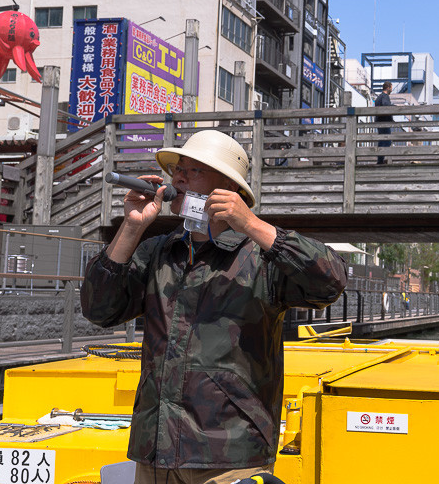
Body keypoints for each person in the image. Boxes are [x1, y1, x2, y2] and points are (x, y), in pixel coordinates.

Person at [80, 130, 348, 484]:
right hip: (155, 453)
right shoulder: (159, 251)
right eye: (178, 169)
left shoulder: (262, 258)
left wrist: (251, 224)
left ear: (230, 189)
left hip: (230, 457)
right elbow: (99, 309)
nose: (178, 177)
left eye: (194, 171)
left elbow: (330, 283)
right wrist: (132, 227)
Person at [374, 82, 394, 165]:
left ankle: (380, 159)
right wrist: (394, 107)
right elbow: (386, 105)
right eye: (391, 88)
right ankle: (380, 160)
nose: (391, 90)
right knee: (386, 141)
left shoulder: (379, 97)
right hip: (384, 122)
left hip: (379, 121)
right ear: (388, 87)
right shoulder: (385, 96)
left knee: (382, 140)